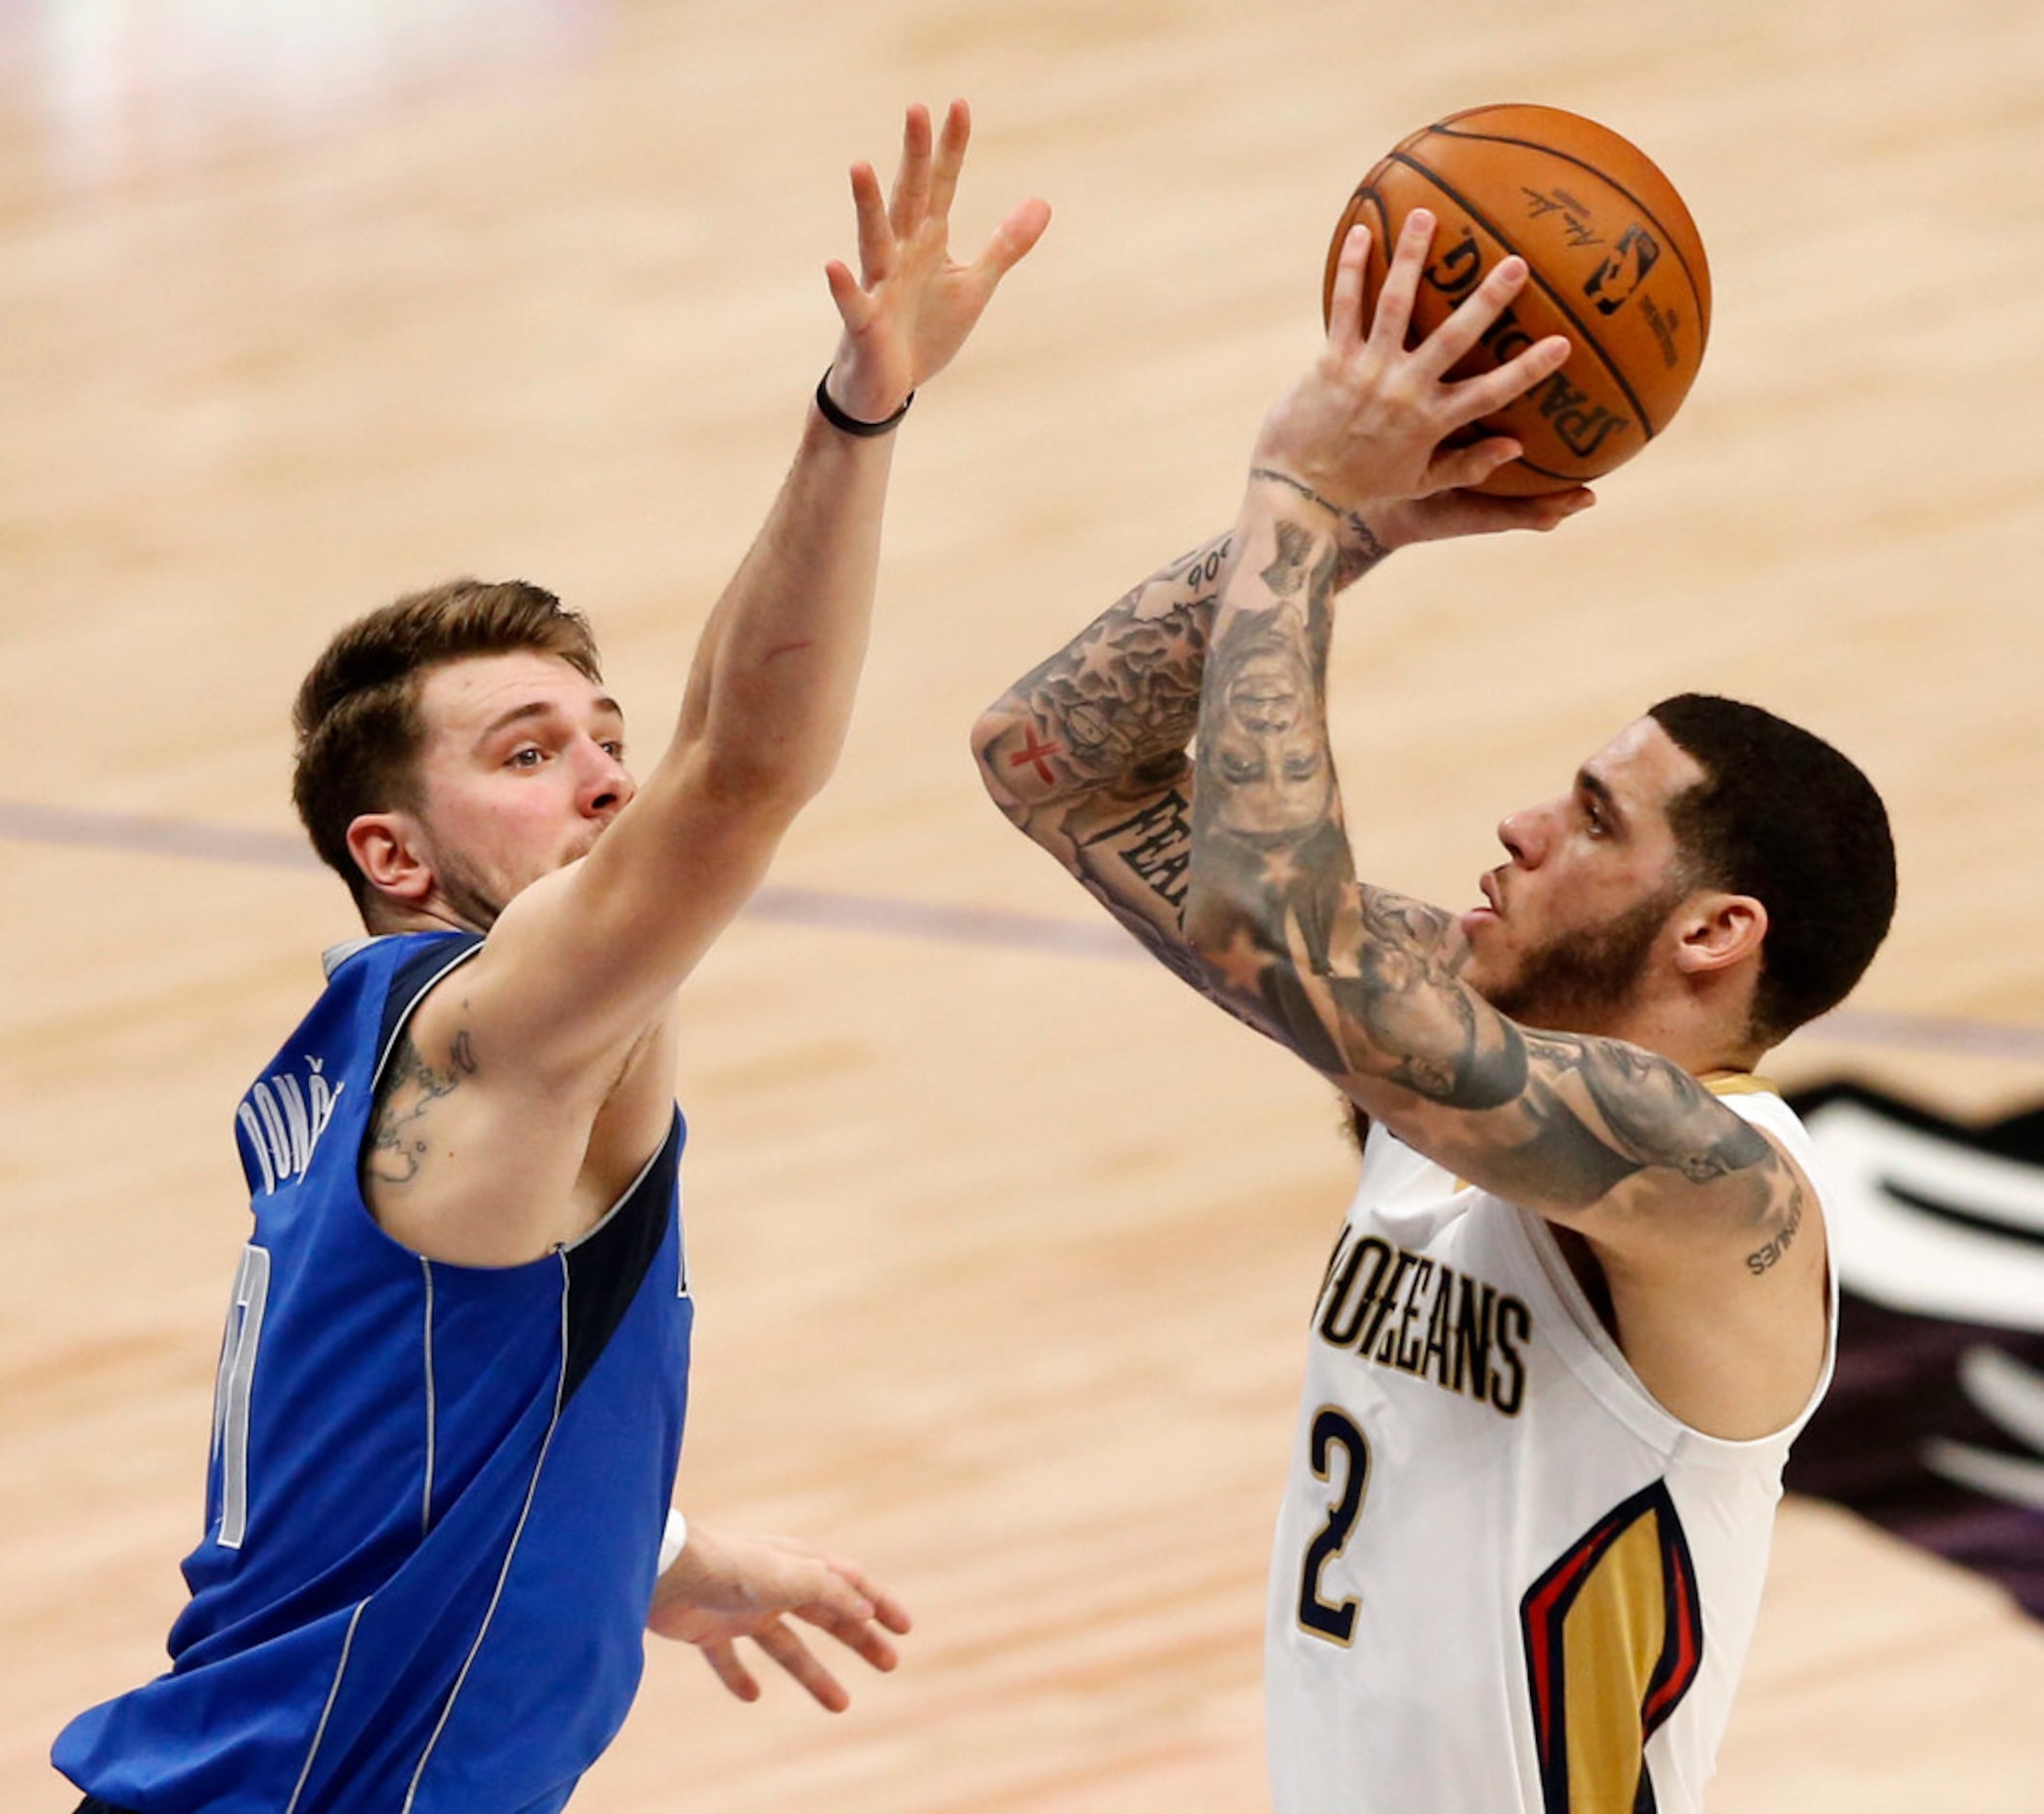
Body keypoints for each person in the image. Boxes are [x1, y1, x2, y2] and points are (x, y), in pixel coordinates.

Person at [55, 100, 1049, 1814]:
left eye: (603, 734)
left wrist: (640, 1546)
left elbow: (364, 1455)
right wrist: (858, 414)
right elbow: (741, 767)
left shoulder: (389, 1078)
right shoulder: (485, 1032)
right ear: (396, 853)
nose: (603, 778)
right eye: (524, 754)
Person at [973, 210, 1894, 1812]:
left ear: (1715, 933)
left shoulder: (1716, 1179)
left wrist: (1297, 498)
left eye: (1598, 819)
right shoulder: (1455, 1057)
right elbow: (1046, 758)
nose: (1525, 827)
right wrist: (1361, 530)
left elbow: (1274, 917)